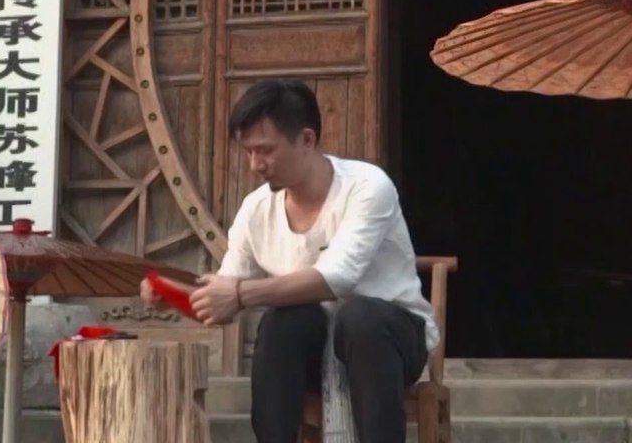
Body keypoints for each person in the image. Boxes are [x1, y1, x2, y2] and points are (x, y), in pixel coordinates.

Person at [139, 78, 437, 443]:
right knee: (284, 321)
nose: (255, 165)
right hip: (311, 352)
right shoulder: (255, 210)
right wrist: (170, 294)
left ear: (307, 140)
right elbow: (226, 297)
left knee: (360, 317)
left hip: (389, 346)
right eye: (248, 152)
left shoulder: (367, 187)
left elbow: (337, 277)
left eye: (265, 150)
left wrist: (239, 294)